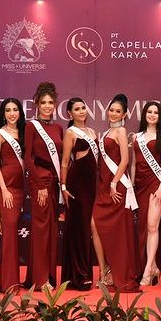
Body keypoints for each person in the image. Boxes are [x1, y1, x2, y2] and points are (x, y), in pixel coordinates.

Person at [92, 94, 139, 292]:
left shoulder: (121, 131)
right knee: (95, 225)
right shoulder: (103, 134)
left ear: (124, 114)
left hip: (116, 187)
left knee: (118, 233)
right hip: (103, 187)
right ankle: (105, 272)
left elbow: (125, 161)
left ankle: (117, 273)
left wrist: (113, 183)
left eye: (118, 111)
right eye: (111, 110)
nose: (113, 113)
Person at [24, 81, 63, 289]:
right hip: (40, 180)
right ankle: (40, 280)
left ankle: (47, 275)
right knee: (40, 229)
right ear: (37, 104)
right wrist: (39, 185)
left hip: (54, 181)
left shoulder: (58, 128)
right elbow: (27, 157)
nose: (47, 106)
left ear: (55, 104)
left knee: (52, 228)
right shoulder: (31, 126)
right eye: (43, 102)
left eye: (51, 102)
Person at [133, 100, 161, 287]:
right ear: (144, 114)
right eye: (149, 112)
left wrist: (160, 187)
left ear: (160, 116)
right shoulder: (137, 137)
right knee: (143, 228)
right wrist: (131, 186)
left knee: (152, 226)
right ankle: (154, 265)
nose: (152, 115)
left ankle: (148, 270)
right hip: (139, 186)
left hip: (156, 183)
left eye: (156, 112)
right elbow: (133, 164)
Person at [60, 97, 97, 290]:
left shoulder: (92, 132)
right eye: (77, 109)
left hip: (91, 185)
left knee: (87, 229)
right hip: (77, 184)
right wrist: (64, 187)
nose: (82, 111)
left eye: (83, 107)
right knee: (78, 228)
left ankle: (86, 273)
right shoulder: (70, 133)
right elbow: (65, 162)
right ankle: (77, 276)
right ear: (70, 114)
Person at [0, 98, 25, 290]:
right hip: (6, 186)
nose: (12, 113)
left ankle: (10, 280)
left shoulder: (24, 132)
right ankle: (9, 282)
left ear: (20, 112)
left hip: (21, 187)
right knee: (10, 230)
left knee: (12, 231)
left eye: (15, 110)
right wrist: (3, 189)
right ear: (3, 113)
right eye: (8, 110)